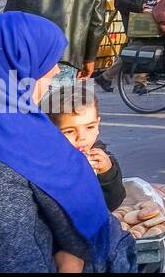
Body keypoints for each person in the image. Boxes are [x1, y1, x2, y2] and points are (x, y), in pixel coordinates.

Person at [0, 12, 136, 273]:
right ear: (23, 62)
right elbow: (81, 224)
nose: (57, 69)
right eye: (49, 59)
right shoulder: (21, 137)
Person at [47, 80, 126, 211]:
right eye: (70, 131)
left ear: (98, 124)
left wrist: (107, 173)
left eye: (90, 127)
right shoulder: (48, 162)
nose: (82, 137)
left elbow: (113, 202)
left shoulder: (101, 158)